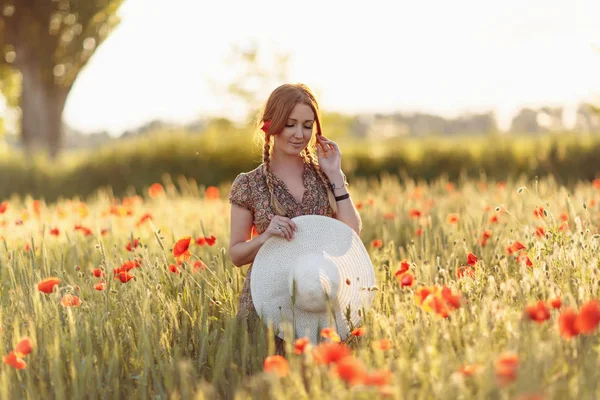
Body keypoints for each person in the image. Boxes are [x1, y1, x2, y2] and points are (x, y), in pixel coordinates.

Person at [228, 83, 362, 356]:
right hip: (268, 304)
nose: (300, 134)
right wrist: (265, 238)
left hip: (318, 298)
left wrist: (335, 174)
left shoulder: (324, 176)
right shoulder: (248, 185)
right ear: (271, 125)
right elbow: (236, 254)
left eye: (307, 125)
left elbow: (351, 234)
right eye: (290, 124)